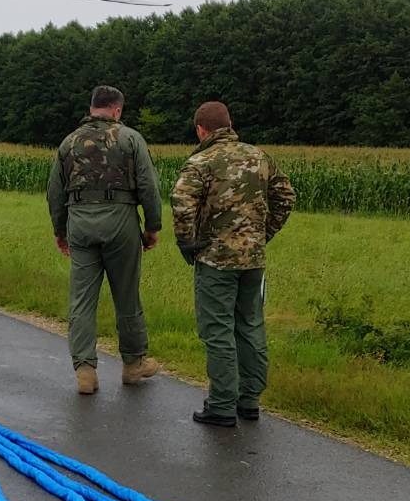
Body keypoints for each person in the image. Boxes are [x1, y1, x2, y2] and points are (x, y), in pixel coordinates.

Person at [171, 101, 296, 427]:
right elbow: (286, 196)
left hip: (215, 259)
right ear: (229, 123)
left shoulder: (200, 162)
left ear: (201, 129)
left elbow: (181, 202)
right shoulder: (259, 157)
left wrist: (187, 242)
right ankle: (250, 399)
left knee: (218, 330)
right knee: (250, 324)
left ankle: (222, 405)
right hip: (253, 259)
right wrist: (262, 234)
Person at [46, 85, 163, 394]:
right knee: (126, 294)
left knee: (82, 300)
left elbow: (55, 193)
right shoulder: (130, 138)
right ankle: (133, 364)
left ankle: (85, 370)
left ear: (93, 107)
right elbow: (149, 186)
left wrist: (60, 231)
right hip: (120, 220)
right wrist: (152, 227)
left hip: (80, 222)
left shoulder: (69, 142)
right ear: (117, 110)